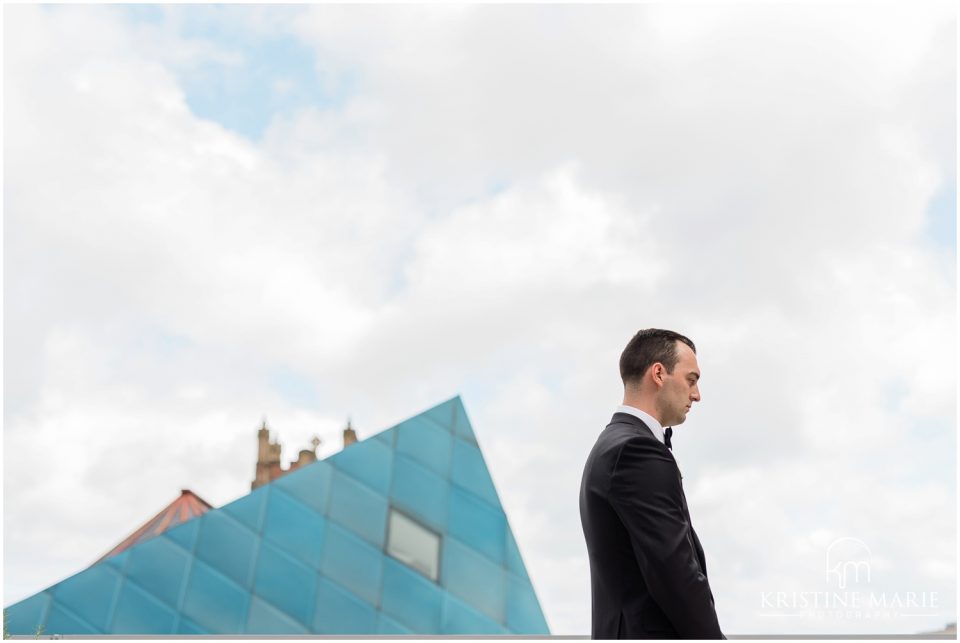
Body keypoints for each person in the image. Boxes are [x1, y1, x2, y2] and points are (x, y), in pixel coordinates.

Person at [579, 328, 724, 639]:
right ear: (658, 373)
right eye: (691, 379)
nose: (696, 394)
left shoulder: (611, 445)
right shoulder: (636, 451)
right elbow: (677, 577)